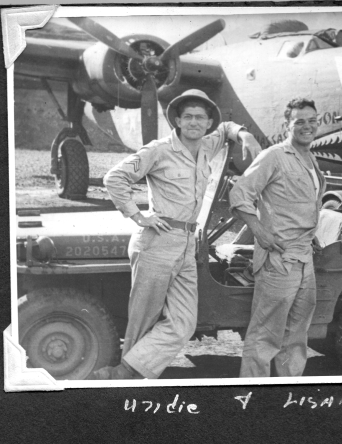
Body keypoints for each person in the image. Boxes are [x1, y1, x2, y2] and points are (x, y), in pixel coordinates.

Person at [92, 89, 261, 379]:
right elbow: (114, 177)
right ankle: (124, 380)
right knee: (143, 320)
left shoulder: (208, 145)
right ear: (178, 121)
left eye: (200, 117)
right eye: (188, 117)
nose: (194, 122)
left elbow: (226, 129)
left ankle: (128, 370)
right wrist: (138, 215)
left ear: (207, 123)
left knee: (183, 322)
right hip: (157, 242)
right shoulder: (158, 150)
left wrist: (245, 135)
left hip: (187, 246)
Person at [229, 97, 326, 378]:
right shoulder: (274, 156)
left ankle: (287, 393)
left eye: (312, 120)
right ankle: (250, 397)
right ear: (287, 125)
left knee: (296, 336)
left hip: (304, 258)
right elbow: (239, 194)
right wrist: (260, 232)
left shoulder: (311, 158)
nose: (307, 127)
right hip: (278, 261)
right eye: (299, 122)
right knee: (264, 337)